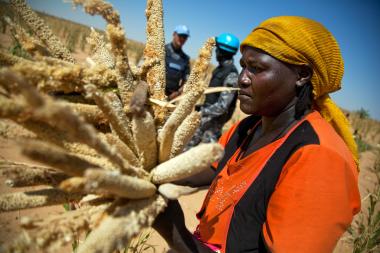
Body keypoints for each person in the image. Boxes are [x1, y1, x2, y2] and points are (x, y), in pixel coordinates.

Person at [153, 16, 361, 253]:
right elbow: (213, 168)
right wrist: (154, 173)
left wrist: (175, 231)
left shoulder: (319, 157)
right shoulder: (249, 127)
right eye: (244, 65)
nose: (242, 78)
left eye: (257, 68)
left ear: (302, 75)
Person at [187, 33, 240, 146]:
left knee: (205, 157)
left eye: (217, 49)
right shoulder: (220, 69)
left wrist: (202, 112)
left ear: (222, 52)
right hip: (205, 119)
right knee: (186, 148)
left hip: (213, 125)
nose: (215, 52)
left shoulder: (231, 74)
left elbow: (222, 106)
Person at [165, 25, 191, 100]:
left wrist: (177, 93)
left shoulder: (185, 59)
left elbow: (186, 81)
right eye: (180, 35)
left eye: (185, 37)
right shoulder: (162, 50)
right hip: (154, 93)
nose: (182, 39)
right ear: (174, 34)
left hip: (171, 98)